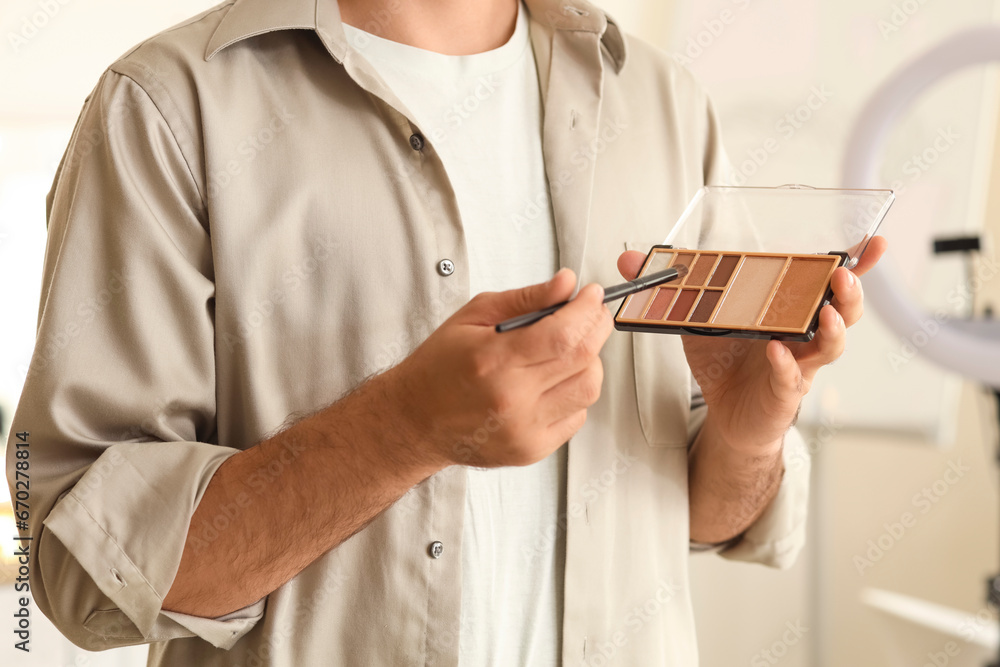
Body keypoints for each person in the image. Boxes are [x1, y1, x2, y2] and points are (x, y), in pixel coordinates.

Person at [6, 0, 885, 664]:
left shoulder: (665, 104)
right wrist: (399, 430)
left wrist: (746, 431)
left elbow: (702, 514)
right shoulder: (165, 110)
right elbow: (75, 565)